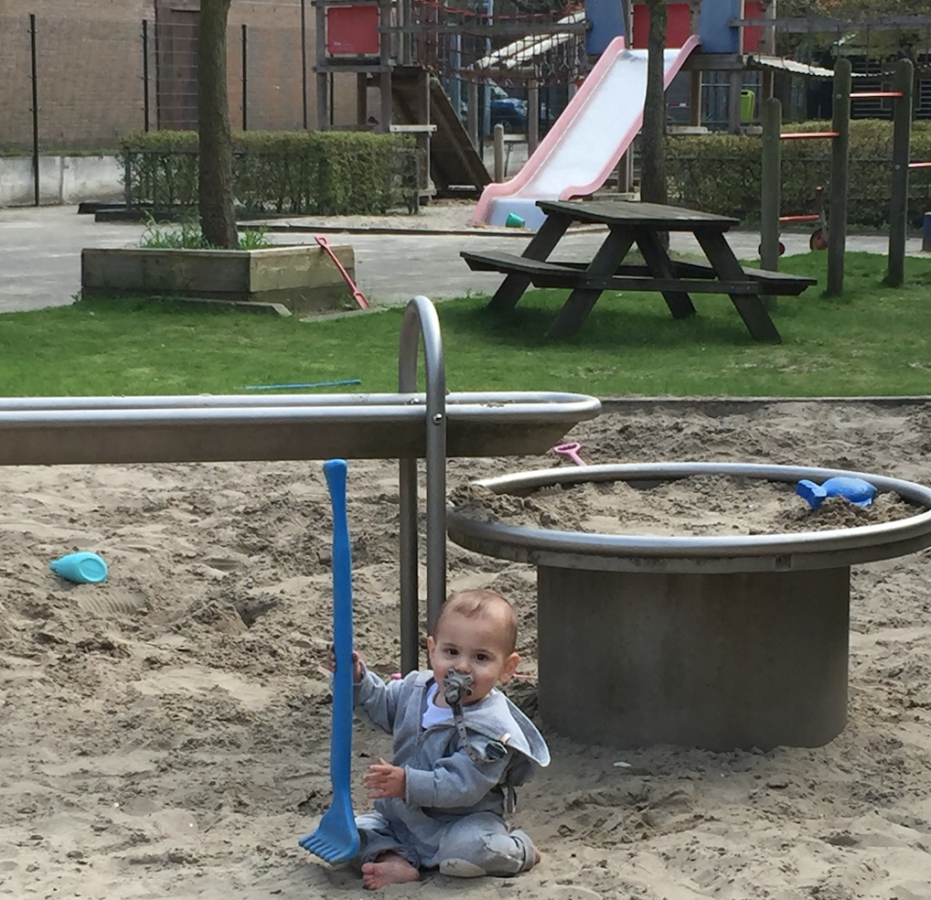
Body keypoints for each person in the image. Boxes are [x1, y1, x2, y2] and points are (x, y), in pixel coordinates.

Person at [330, 588, 550, 889]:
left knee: (465, 854)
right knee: (349, 832)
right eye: (451, 652)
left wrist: (408, 783)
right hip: (402, 819)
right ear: (432, 650)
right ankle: (396, 860)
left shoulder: (492, 730)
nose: (461, 666)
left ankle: (520, 850)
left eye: (481, 657)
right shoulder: (415, 689)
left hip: (459, 822)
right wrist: (356, 678)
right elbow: (380, 706)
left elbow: (462, 786)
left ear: (507, 669)